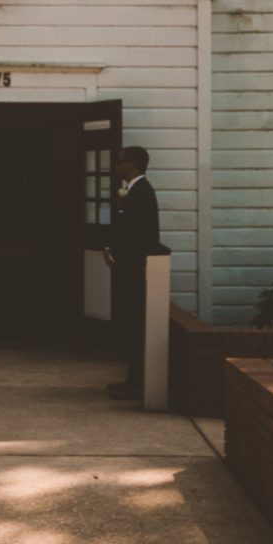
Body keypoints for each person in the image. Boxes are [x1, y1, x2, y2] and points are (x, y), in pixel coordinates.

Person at [105, 145, 162, 402]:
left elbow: (139, 234)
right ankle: (132, 378)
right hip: (128, 266)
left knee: (136, 324)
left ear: (133, 164)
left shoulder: (142, 192)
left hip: (135, 269)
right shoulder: (133, 191)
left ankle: (138, 382)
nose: (117, 167)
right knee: (129, 323)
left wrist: (122, 257)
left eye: (120, 162)